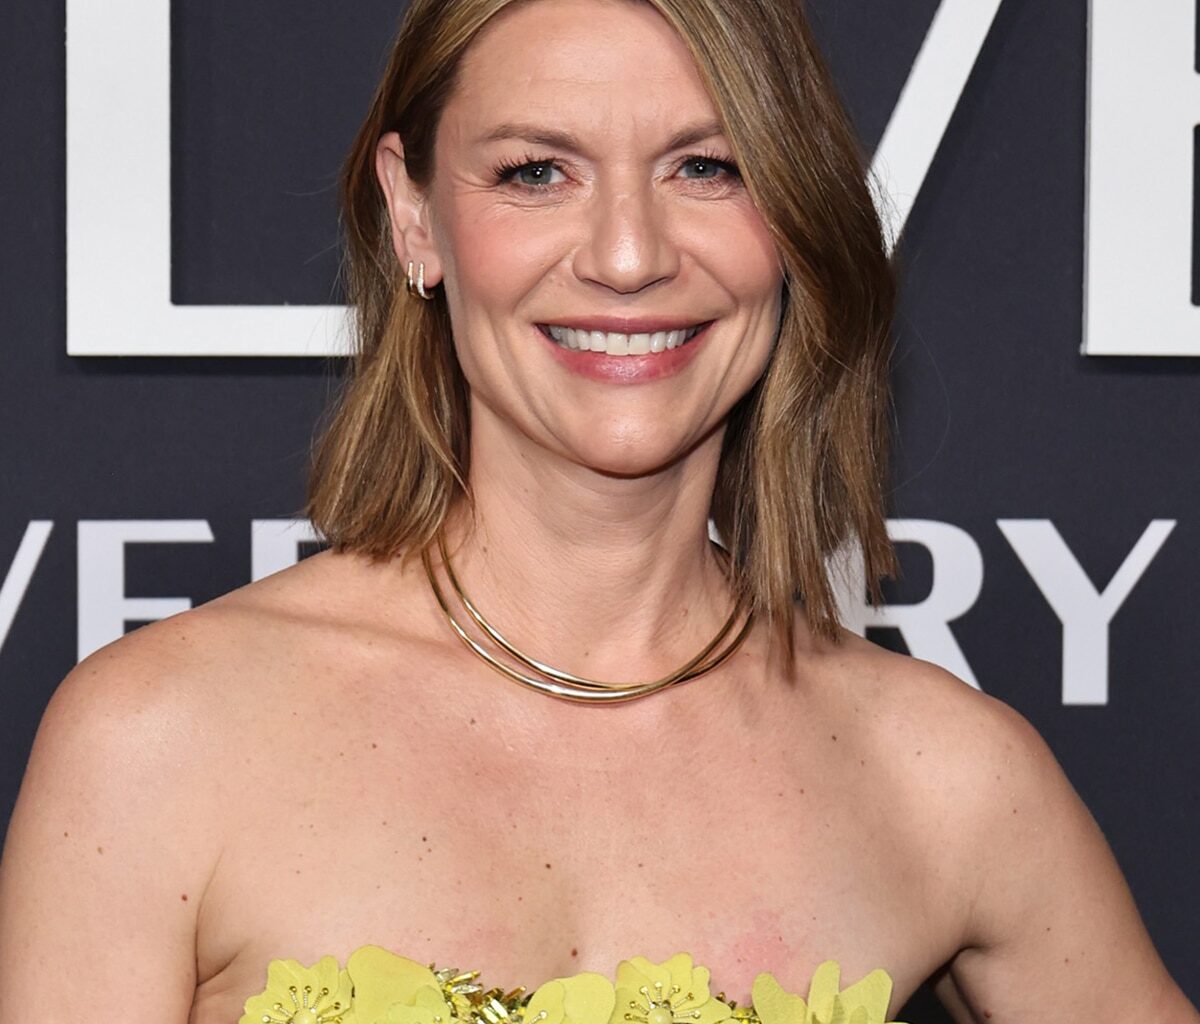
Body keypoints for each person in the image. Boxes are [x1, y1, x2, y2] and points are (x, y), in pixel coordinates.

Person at [0, 0, 1195, 1021]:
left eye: (707, 167)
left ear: (793, 218)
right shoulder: (159, 741)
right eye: (537, 172)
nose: (628, 255)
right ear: (414, 215)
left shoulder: (943, 778)